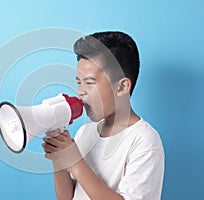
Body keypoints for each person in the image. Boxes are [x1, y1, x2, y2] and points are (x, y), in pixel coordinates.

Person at [42, 31, 165, 200]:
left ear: (121, 87)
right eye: (79, 82)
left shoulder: (144, 140)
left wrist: (76, 163)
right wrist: (60, 158)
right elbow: (67, 197)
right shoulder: (84, 133)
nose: (81, 92)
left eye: (90, 83)